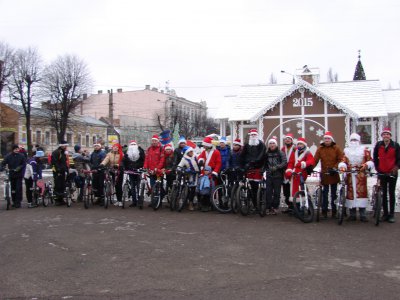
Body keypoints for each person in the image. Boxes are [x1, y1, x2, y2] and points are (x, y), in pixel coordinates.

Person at [338, 133, 374, 222]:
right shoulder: (346, 151)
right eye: (352, 140)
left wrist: (366, 165)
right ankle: (352, 214)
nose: (353, 142)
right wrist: (342, 166)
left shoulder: (365, 150)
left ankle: (363, 215)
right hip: (350, 175)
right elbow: (343, 161)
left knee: (362, 193)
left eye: (355, 140)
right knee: (350, 194)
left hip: (360, 175)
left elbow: (370, 161)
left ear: (359, 141)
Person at [313, 131, 344, 219]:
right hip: (324, 174)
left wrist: (335, 167)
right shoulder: (320, 149)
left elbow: (340, 159)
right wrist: (311, 168)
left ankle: (334, 211)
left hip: (333, 174)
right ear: (323, 140)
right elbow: (315, 160)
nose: (327, 140)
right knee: (324, 194)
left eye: (328, 139)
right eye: (325, 139)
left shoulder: (336, 148)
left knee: (334, 194)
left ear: (331, 140)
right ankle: (324, 211)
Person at [373, 127, 400, 223]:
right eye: (384, 134)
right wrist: (377, 168)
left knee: (391, 193)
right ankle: (385, 213)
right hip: (382, 172)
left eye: (387, 134)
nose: (386, 136)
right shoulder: (378, 145)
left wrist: (395, 168)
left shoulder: (396, 145)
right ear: (382, 136)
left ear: (390, 136)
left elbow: (399, 159)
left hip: (392, 172)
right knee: (383, 193)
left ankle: (391, 214)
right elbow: (375, 158)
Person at [285, 138, 315, 207]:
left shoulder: (307, 152)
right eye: (298, 144)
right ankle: (296, 207)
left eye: (301, 144)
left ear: (304, 145)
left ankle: (308, 205)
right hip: (294, 174)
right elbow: (291, 163)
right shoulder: (294, 152)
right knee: (294, 190)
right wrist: (289, 170)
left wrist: (303, 164)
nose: (299, 145)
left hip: (302, 173)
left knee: (303, 189)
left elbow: (311, 161)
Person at [239, 129, 266, 207]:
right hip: (249, 168)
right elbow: (242, 155)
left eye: (254, 135)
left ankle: (258, 203)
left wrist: (254, 161)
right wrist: (241, 164)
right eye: (252, 135)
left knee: (256, 186)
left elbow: (261, 156)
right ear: (250, 136)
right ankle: (252, 203)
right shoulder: (247, 145)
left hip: (258, 167)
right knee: (250, 186)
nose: (253, 136)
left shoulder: (261, 145)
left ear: (257, 135)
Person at [264, 136, 287, 215]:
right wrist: (265, 170)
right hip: (269, 175)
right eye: (270, 143)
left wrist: (277, 167)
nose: (272, 144)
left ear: (276, 144)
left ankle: (275, 207)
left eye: (273, 143)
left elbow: (284, 162)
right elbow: (264, 163)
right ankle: (268, 207)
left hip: (278, 175)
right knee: (268, 192)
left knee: (277, 192)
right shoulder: (267, 153)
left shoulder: (280, 152)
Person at [143, 135, 165, 206]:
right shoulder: (149, 149)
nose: (154, 142)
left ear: (158, 141)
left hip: (158, 171)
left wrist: (157, 168)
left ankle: (159, 201)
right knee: (153, 187)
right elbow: (146, 159)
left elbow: (162, 160)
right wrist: (145, 166)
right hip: (151, 171)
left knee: (159, 186)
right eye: (153, 141)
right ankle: (153, 201)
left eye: (155, 141)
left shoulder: (161, 149)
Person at [123, 140, 145, 207]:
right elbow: (125, 160)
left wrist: (140, 167)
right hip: (130, 171)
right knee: (132, 186)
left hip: (138, 170)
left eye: (134, 144)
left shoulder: (140, 151)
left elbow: (143, 159)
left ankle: (139, 200)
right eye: (131, 145)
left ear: (136, 145)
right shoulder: (127, 152)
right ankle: (134, 201)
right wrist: (126, 168)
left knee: (138, 186)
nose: (133, 146)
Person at [178, 146, 200, 211]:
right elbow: (180, 165)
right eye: (190, 152)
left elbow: (200, 159)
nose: (192, 152)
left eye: (192, 151)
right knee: (192, 189)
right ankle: (190, 203)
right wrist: (179, 169)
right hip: (191, 175)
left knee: (199, 189)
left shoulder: (195, 156)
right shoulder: (184, 159)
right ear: (187, 152)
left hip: (199, 174)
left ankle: (199, 203)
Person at [51, 140, 69, 205]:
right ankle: (57, 199)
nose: (66, 147)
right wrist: (57, 169)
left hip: (62, 171)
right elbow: (54, 162)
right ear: (62, 145)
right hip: (57, 171)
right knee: (58, 185)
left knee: (62, 185)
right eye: (65, 145)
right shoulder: (56, 152)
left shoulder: (64, 153)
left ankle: (61, 199)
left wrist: (66, 169)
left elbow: (65, 162)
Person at [281, 133, 295, 213]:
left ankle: (294, 207)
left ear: (291, 140)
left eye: (289, 139)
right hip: (284, 172)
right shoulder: (283, 149)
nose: (287, 140)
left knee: (292, 190)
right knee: (286, 191)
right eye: (286, 139)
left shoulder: (295, 149)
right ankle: (289, 206)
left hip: (293, 171)